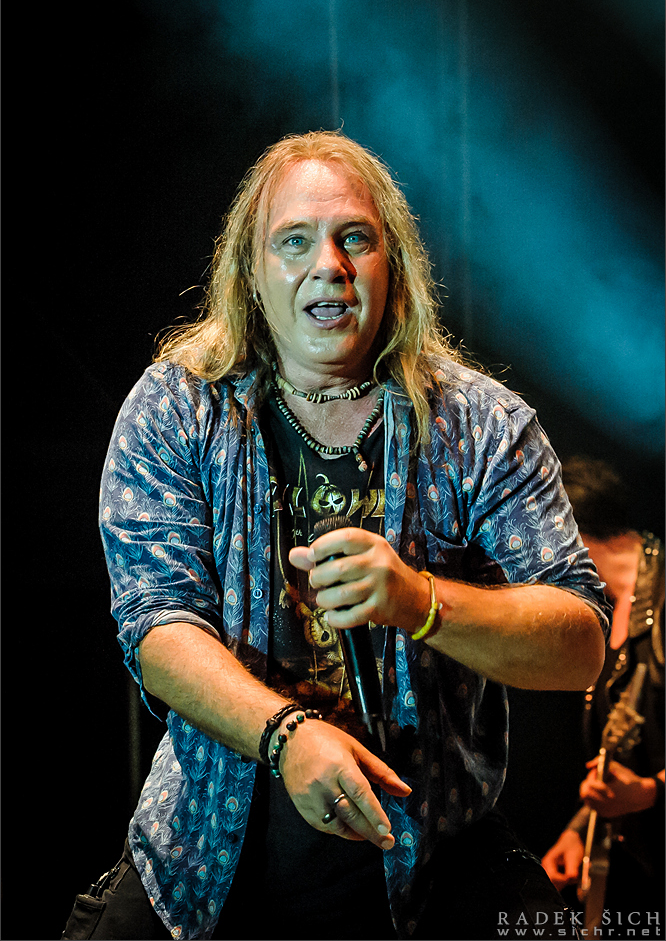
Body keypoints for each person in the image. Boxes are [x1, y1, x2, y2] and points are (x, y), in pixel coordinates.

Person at [62, 131, 610, 941]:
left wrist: (421, 602)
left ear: (395, 266)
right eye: (295, 240)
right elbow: (155, 625)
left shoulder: (482, 425)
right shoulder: (177, 407)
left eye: (355, 237)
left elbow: (580, 645)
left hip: (435, 853)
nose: (330, 265)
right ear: (250, 273)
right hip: (204, 860)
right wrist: (286, 736)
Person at [541, 458, 664, 929]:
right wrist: (583, 830)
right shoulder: (602, 611)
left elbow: (643, 780)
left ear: (568, 531)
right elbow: (623, 752)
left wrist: (651, 792)